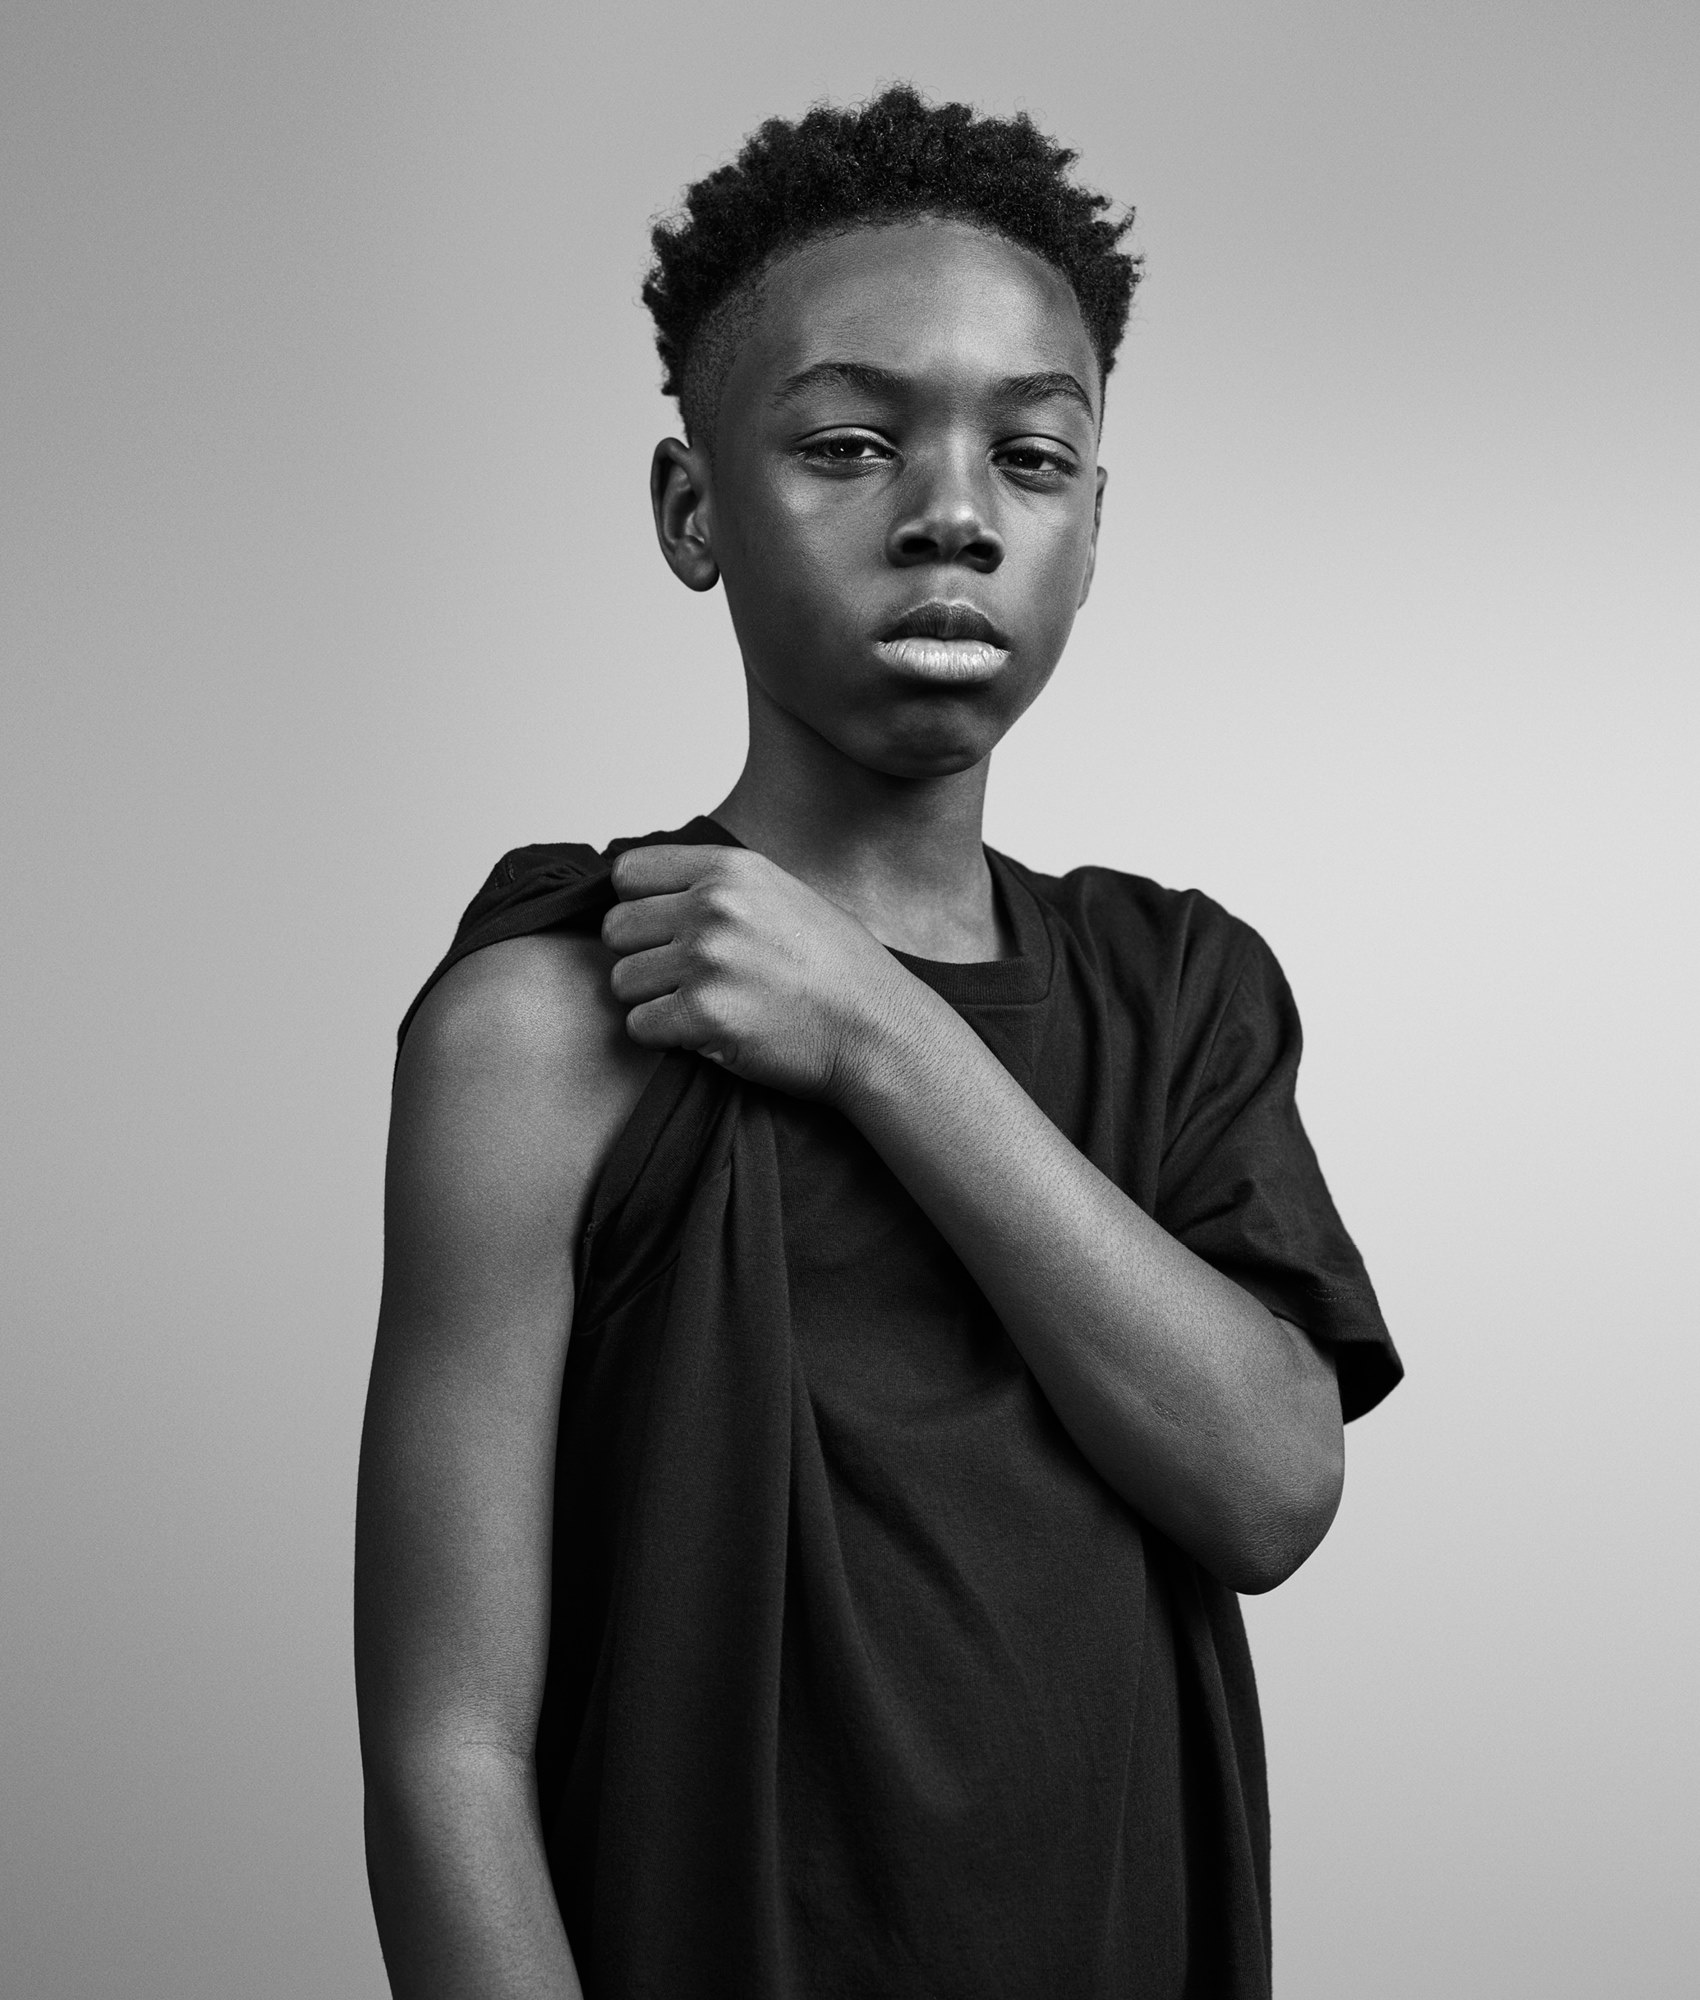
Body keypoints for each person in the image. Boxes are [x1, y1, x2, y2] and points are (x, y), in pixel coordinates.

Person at [354, 84, 1401, 2000]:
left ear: (1094, 526)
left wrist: (875, 1033)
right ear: (693, 510)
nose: (953, 514)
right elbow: (447, 1750)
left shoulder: (1180, 991)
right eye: (849, 443)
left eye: (1034, 456)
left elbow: (1270, 1489)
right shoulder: (553, 1017)